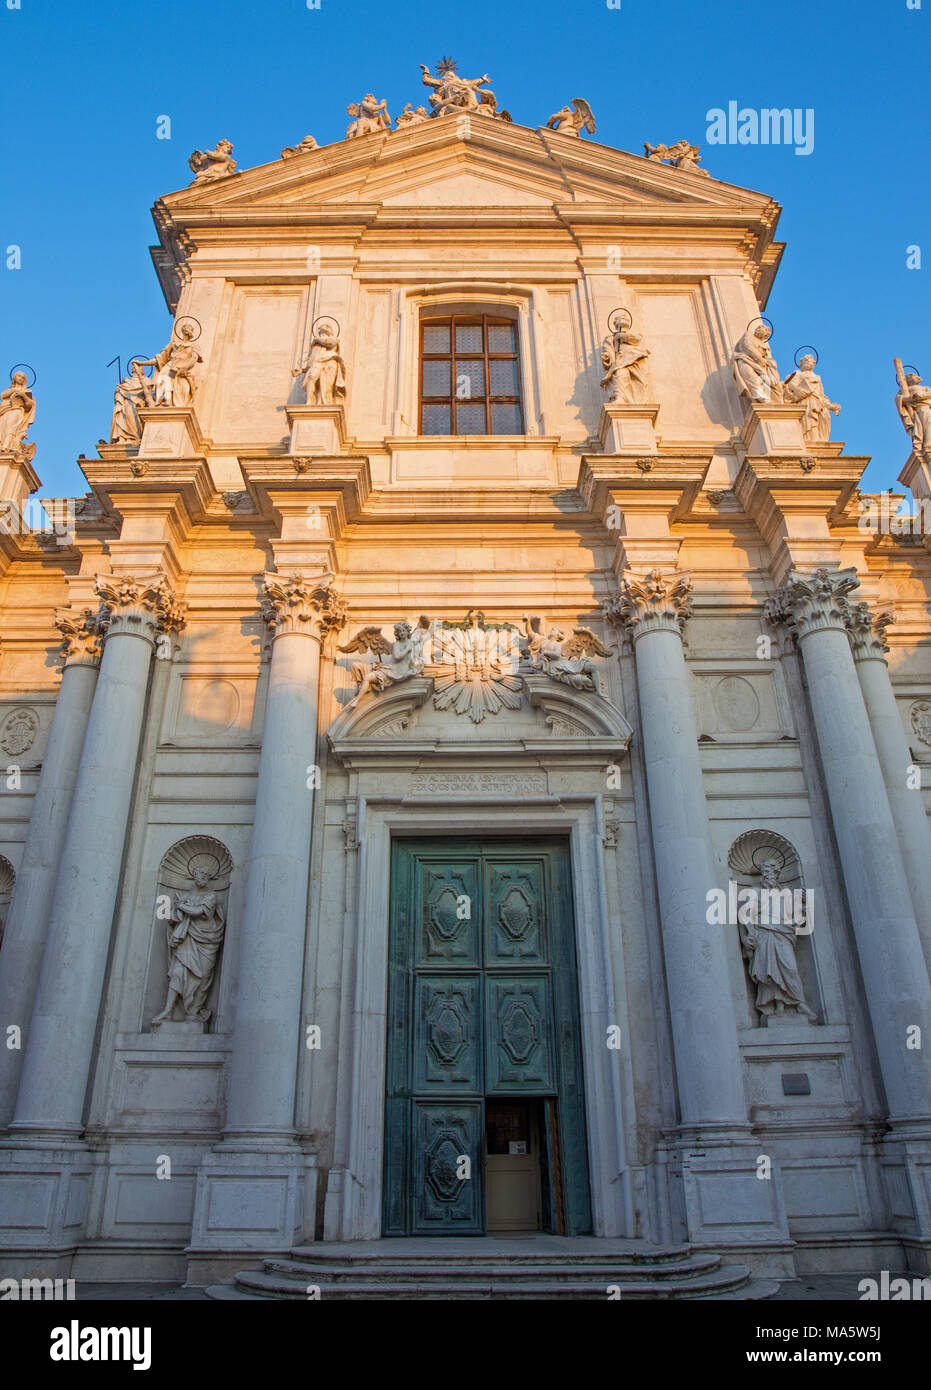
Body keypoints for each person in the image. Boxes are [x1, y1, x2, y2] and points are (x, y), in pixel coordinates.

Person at [151, 867, 225, 1026]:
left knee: (202, 977)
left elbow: (201, 912)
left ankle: (193, 1013)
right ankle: (168, 1011)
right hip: (187, 939)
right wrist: (174, 914)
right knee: (177, 972)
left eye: (206, 874)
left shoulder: (211, 896)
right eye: (201, 874)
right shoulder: (186, 896)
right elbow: (174, 917)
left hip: (207, 940)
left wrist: (181, 906)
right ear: (194, 876)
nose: (203, 877)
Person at [783, 354, 840, 443]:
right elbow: (790, 390)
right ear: (802, 364)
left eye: (812, 361)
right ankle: (809, 444)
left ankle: (818, 444)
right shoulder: (797, 374)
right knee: (809, 424)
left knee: (825, 417)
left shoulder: (817, 377)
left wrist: (830, 406)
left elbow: (821, 395)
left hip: (817, 402)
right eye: (808, 360)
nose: (811, 362)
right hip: (805, 402)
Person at [293, 321, 346, 405]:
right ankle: (309, 401)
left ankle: (323, 402)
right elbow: (311, 361)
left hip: (329, 364)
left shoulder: (333, 340)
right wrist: (301, 371)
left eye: (324, 332)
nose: (322, 334)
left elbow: (329, 342)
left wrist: (316, 339)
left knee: (325, 385)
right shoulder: (316, 347)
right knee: (311, 377)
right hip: (318, 363)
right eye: (321, 333)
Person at [731, 323, 783, 404]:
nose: (759, 328)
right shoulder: (748, 336)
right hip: (745, 360)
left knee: (770, 381)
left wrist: (769, 362)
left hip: (760, 366)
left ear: (765, 336)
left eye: (762, 328)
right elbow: (748, 348)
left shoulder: (765, 345)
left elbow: (769, 358)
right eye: (759, 327)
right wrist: (761, 360)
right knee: (751, 376)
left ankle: (770, 398)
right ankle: (762, 398)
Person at [0, 372, 36, 455]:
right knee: (2, 427)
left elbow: (29, 405)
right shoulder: (10, 390)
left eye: (23, 377)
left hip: (17, 410)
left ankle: (6, 446)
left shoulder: (26, 391)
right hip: (5, 411)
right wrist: (14, 391)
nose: (20, 378)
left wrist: (23, 396)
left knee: (11, 426)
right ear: (14, 378)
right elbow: (3, 396)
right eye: (19, 376)